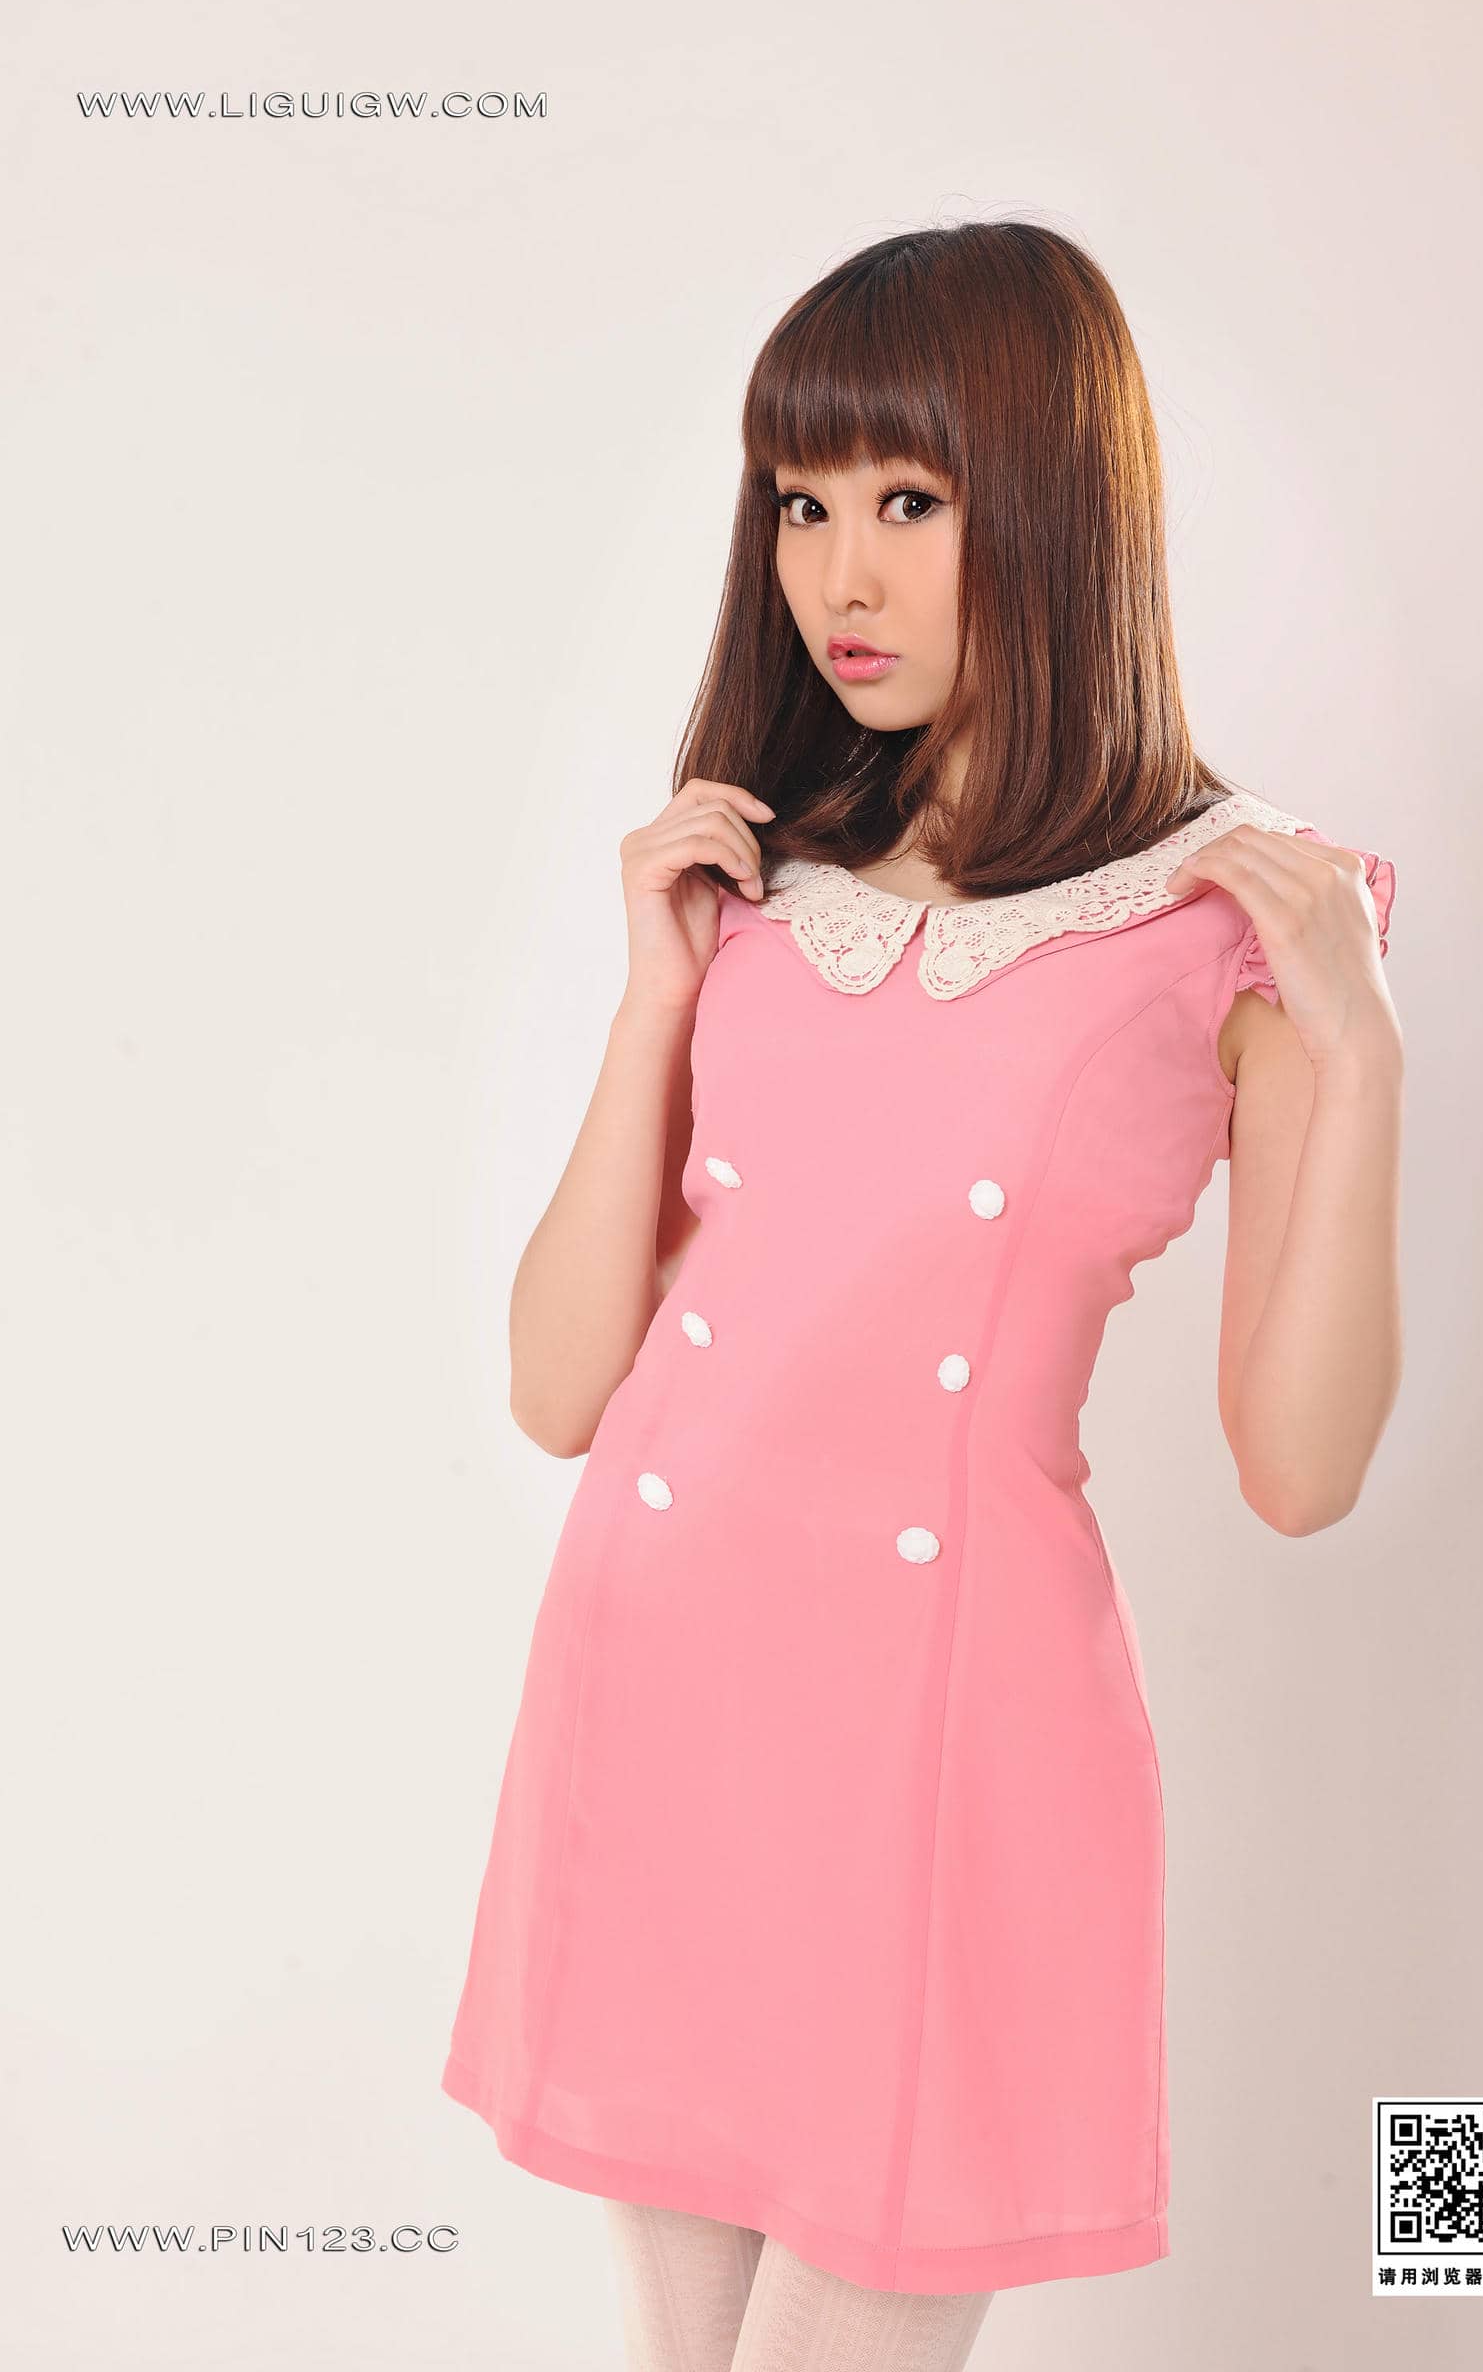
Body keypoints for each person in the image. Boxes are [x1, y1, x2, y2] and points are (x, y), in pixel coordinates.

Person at [440, 220, 1403, 2372]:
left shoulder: (1231, 923)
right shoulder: (758, 881)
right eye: (801, 503)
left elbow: (1300, 1468)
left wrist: (1357, 1055)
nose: (839, 576)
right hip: (665, 1681)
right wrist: (651, 1000)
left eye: (907, 500)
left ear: (1051, 506)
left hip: (954, 1742)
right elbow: (558, 1386)